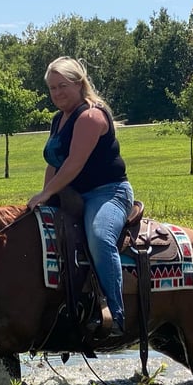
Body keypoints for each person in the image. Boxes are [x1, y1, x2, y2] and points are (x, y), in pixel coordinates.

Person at [27, 56, 134, 336]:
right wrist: (46, 198)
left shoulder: (90, 116)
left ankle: (117, 316)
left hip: (108, 194)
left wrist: (47, 192)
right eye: (52, 88)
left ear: (79, 83)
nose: (57, 93)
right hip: (72, 194)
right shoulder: (58, 120)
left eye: (63, 85)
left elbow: (74, 163)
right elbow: (54, 161)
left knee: (99, 237)